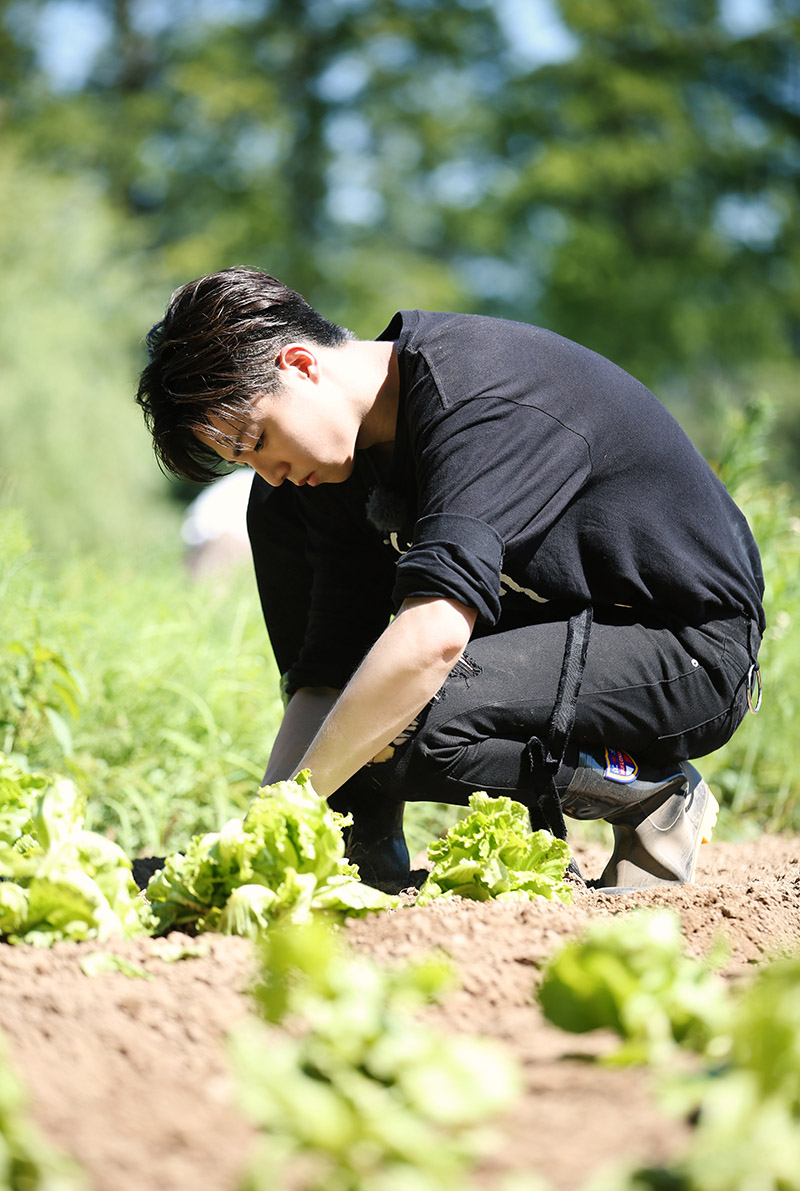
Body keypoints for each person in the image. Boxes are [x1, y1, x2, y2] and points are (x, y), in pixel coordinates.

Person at [135, 266, 765, 892]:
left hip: (686, 647)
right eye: (243, 460)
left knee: (400, 712)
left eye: (259, 440)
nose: (268, 470)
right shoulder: (327, 470)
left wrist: (292, 807)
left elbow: (433, 639)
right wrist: (266, 829)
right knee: (310, 584)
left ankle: (651, 795)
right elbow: (327, 671)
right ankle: (360, 838)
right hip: (545, 633)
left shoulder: (473, 397)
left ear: (300, 365)